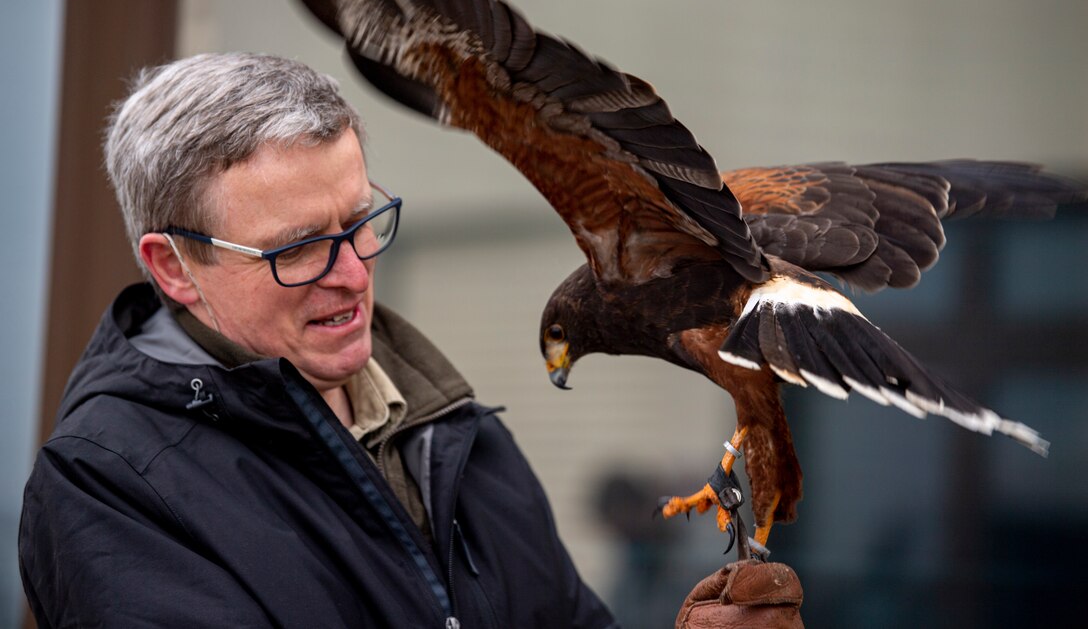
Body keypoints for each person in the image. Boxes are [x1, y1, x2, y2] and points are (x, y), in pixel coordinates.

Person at [19, 52, 803, 628]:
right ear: (175, 266)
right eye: (296, 248)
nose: (354, 272)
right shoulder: (107, 489)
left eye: (360, 223)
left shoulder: (454, 432)